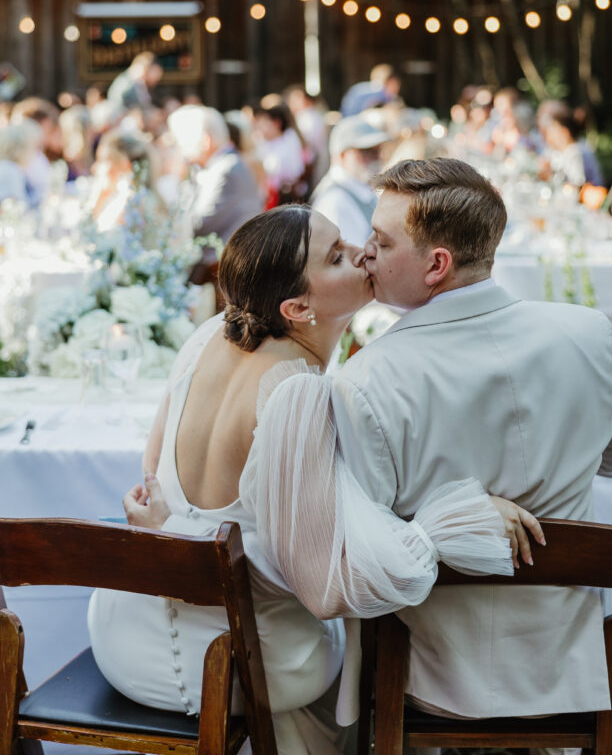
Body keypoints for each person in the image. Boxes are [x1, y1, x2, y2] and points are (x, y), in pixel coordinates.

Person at [88, 205, 540, 755]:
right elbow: (326, 584)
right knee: (359, 649)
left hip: (120, 635)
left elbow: (151, 474)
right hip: (241, 660)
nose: (362, 252)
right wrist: (449, 524)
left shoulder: (209, 333)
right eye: (336, 256)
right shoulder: (296, 391)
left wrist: (173, 531)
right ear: (299, 306)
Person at [328, 158, 612, 735]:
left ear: (436, 266)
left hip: (431, 673)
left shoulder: (365, 379)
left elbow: (371, 539)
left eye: (381, 240)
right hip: (571, 668)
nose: (365, 253)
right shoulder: (590, 332)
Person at [167, 105, 262, 260]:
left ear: (206, 141)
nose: (183, 151)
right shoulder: (224, 165)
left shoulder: (225, 170)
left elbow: (198, 225)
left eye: (184, 142)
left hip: (221, 263)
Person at [312, 113, 391, 246]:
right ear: (342, 155)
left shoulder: (356, 189)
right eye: (366, 151)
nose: (377, 158)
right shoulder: (335, 200)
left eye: (377, 151)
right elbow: (351, 259)